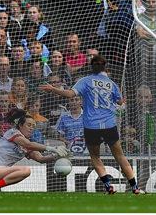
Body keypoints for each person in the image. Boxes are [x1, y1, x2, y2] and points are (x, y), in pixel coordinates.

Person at [39, 55, 144, 194]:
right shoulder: (112, 84)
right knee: (120, 156)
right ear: (105, 67)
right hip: (109, 125)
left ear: (91, 67)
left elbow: (70, 94)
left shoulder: (86, 81)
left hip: (91, 126)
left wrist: (53, 89)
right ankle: (135, 187)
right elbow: (120, 102)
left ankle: (108, 186)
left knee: (95, 157)